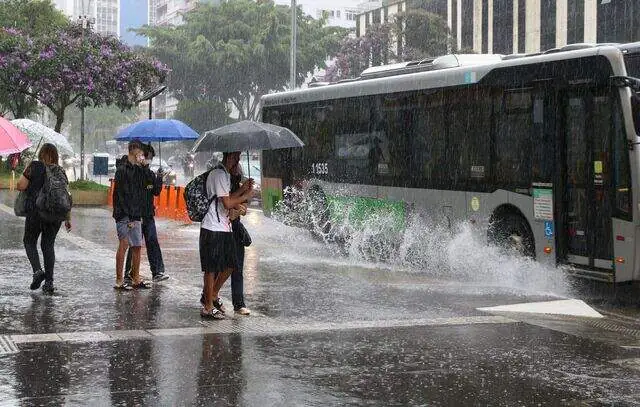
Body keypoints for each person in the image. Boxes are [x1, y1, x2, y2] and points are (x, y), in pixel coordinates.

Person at [199, 151, 254, 319]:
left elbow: (228, 197)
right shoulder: (220, 174)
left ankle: (213, 295)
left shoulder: (224, 175)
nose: (238, 161)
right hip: (212, 227)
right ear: (229, 157)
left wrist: (243, 189)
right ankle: (208, 306)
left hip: (224, 227)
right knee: (211, 269)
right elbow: (227, 202)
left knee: (231, 264)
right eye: (236, 157)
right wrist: (246, 195)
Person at [17, 143, 72, 295]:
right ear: (55, 156)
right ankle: (49, 282)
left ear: (41, 154)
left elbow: (21, 185)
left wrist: (24, 174)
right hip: (55, 216)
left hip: (36, 213)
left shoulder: (34, 166)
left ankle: (37, 271)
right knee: (48, 246)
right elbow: (66, 196)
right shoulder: (60, 171)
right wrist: (67, 218)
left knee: (29, 241)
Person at [123, 144, 169, 284]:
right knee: (135, 245)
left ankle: (157, 271)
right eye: (148, 157)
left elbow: (155, 190)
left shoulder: (149, 173)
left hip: (148, 213)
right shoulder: (133, 171)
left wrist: (159, 177)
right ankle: (129, 273)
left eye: (151, 158)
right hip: (136, 214)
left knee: (152, 241)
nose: (148, 160)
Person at [112, 140, 151, 290]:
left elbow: (148, 184)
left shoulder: (138, 169)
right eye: (140, 153)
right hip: (124, 214)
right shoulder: (122, 169)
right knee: (124, 244)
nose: (142, 156)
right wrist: (126, 215)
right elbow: (120, 194)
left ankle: (135, 278)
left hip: (136, 213)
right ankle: (119, 280)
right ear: (133, 151)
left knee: (137, 246)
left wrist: (144, 167)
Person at [229, 162, 251, 315]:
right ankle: (210, 297)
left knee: (237, 268)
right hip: (221, 229)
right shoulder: (222, 181)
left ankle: (239, 303)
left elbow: (243, 210)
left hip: (235, 229)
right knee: (220, 268)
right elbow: (226, 206)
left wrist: (245, 194)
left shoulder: (239, 185)